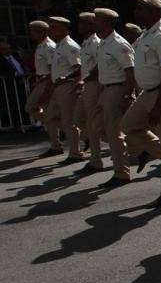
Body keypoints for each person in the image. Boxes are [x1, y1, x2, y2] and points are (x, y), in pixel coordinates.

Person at [121, 0, 161, 207]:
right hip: (148, 93)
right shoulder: (146, 35)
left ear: (155, 12)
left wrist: (158, 106)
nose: (137, 13)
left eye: (141, 9)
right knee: (128, 125)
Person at [91, 8, 135, 188]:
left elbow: (130, 72)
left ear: (108, 22)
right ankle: (136, 149)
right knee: (97, 128)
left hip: (117, 90)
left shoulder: (119, 44)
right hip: (105, 90)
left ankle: (121, 173)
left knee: (114, 133)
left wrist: (127, 95)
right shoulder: (103, 43)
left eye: (98, 20)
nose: (94, 23)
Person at [44, 16, 84, 164]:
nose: (51, 30)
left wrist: (66, 77)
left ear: (63, 28)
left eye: (54, 27)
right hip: (58, 87)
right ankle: (83, 138)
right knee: (50, 117)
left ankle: (75, 153)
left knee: (69, 121)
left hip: (67, 86)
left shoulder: (70, 46)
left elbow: (79, 68)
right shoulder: (59, 46)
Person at [74, 12, 104, 174]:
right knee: (78, 119)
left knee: (93, 123)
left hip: (94, 84)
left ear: (92, 25)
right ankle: (114, 142)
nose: (79, 26)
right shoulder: (85, 43)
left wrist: (86, 79)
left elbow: (100, 66)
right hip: (87, 84)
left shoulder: (95, 42)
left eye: (83, 23)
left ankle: (96, 161)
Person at [26, 21, 60, 156]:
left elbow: (53, 69)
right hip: (41, 81)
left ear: (42, 32)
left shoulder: (49, 47)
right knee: (31, 108)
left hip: (47, 82)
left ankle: (56, 145)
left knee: (47, 112)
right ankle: (60, 129)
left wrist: (47, 87)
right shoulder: (41, 46)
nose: (31, 34)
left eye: (33, 31)